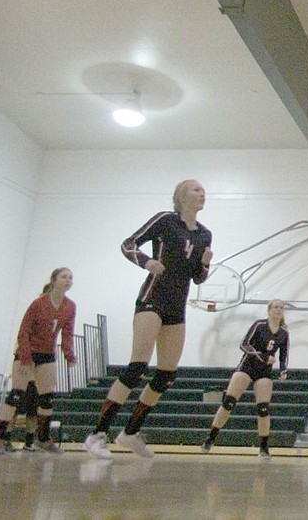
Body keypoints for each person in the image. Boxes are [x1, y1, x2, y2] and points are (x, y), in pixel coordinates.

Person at [84, 180, 212, 459]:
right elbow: (128, 243)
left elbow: (198, 277)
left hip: (177, 307)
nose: (201, 193)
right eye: (195, 189)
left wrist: (205, 264)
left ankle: (129, 432)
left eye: (203, 190)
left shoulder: (205, 234)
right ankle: (97, 434)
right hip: (152, 299)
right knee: (137, 366)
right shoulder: (166, 220)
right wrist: (145, 261)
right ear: (181, 196)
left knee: (166, 374)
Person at [0, 268, 76, 455]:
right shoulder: (38, 303)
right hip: (28, 354)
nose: (68, 280)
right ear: (54, 280)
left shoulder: (70, 306)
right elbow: (23, 331)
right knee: (16, 395)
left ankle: (43, 439)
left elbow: (68, 333)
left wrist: (69, 355)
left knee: (47, 398)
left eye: (71, 278)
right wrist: (25, 357)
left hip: (47, 355)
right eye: (64, 277)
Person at [200, 299, 290, 459]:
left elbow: (283, 356)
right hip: (248, 366)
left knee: (263, 409)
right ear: (269, 310)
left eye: (281, 307)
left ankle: (263, 447)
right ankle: (211, 437)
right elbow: (244, 344)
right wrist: (261, 356)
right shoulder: (259, 325)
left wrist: (283, 371)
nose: (278, 309)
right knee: (229, 402)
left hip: (264, 371)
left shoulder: (284, 333)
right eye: (275, 307)